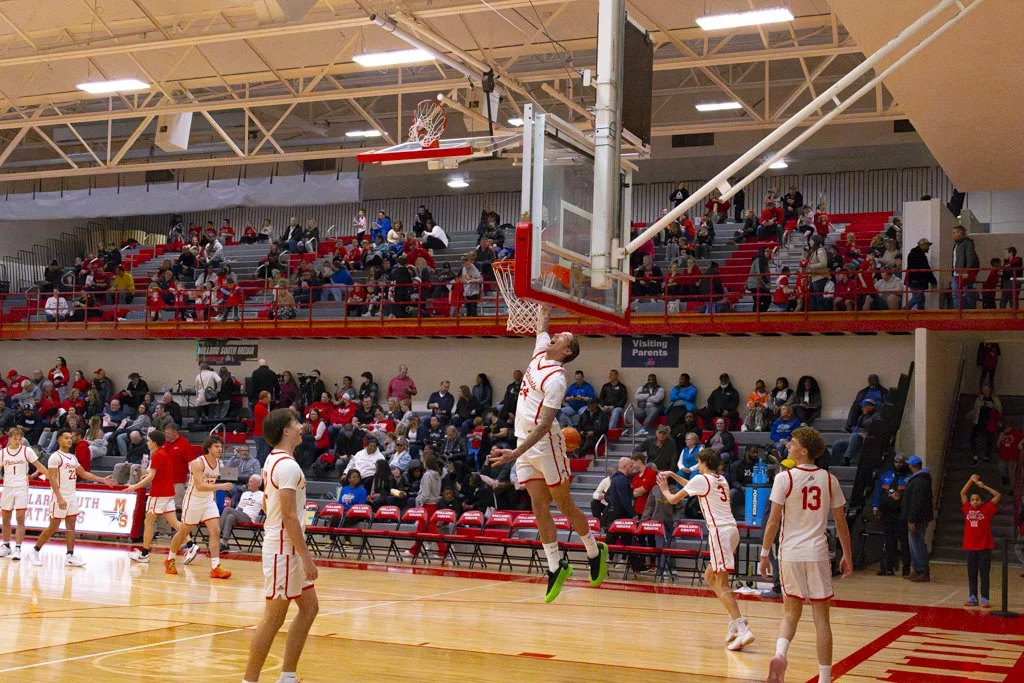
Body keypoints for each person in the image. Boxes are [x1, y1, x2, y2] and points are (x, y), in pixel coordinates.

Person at [487, 306, 608, 602]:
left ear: (567, 351)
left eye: (563, 336)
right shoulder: (541, 350)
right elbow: (542, 325)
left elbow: (543, 427)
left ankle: (594, 550)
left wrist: (515, 453)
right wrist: (542, 304)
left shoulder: (557, 379)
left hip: (545, 444)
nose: (556, 335)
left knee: (563, 504)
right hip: (523, 441)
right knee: (538, 506)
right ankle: (556, 566)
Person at [759, 427, 852, 683]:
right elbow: (841, 522)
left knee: (790, 613)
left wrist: (764, 553)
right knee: (822, 619)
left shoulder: (784, 478)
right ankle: (824, 678)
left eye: (793, 443)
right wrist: (847, 554)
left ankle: (780, 655)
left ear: (804, 451)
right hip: (817, 553)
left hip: (790, 553)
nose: (788, 446)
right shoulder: (829, 479)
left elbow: (773, 521)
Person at [243, 409, 319, 683]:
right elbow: (288, 515)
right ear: (286, 431)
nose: (300, 427)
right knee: (273, 618)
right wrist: (306, 557)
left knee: (309, 608)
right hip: (284, 551)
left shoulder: (273, 459)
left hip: (287, 548)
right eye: (295, 423)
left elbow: (270, 505)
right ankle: (249, 680)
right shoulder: (287, 466)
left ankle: (287, 676)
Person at [658, 448, 755, 651]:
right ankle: (734, 621)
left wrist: (664, 488)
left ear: (702, 463)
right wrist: (674, 475)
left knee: (722, 583)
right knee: (709, 577)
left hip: (719, 532)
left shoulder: (701, 480)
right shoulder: (721, 480)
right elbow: (692, 485)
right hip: (732, 530)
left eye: (698, 463)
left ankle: (742, 627)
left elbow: (673, 499)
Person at [25, 429, 115, 567]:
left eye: (70, 438)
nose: (69, 440)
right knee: (53, 527)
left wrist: (102, 480)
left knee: (71, 527)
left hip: (71, 495)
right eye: (66, 437)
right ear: (59, 439)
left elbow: (83, 473)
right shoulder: (55, 457)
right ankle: (35, 550)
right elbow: (52, 479)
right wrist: (59, 497)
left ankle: (70, 555)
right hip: (59, 495)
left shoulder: (72, 457)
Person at [164, 435, 235, 578]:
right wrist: (220, 486)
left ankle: (215, 567)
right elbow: (200, 486)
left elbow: (210, 484)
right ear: (208, 448)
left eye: (221, 447)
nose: (220, 449)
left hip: (208, 501)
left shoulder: (219, 462)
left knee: (216, 531)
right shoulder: (198, 463)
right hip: (193, 501)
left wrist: (213, 498)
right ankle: (170, 559)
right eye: (216, 446)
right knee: (183, 532)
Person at [126, 431, 195, 565]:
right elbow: (159, 473)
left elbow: (152, 476)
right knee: (174, 522)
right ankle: (191, 544)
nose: (147, 443)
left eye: (148, 441)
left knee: (148, 522)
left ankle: (144, 554)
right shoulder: (165, 452)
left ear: (154, 443)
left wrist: (134, 486)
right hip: (168, 492)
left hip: (158, 493)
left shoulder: (157, 455)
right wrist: (147, 476)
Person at [0, 427, 48, 559]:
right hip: (7, 487)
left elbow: (39, 466)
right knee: (5, 518)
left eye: (19, 439)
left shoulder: (27, 451)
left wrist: (50, 476)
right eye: (15, 438)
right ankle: (6, 546)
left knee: (20, 518)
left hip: (21, 487)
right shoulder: (2, 453)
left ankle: (18, 547)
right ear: (9, 438)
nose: (17, 441)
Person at [959, 474, 1001, 608]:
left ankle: (985, 597)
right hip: (970, 548)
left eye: (977, 499)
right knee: (972, 574)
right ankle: (973, 596)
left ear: (982, 501)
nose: (974, 502)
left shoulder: (987, 509)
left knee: (984, 574)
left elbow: (998, 495)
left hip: (984, 548)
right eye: (972, 500)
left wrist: (984, 486)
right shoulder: (967, 509)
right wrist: (970, 480)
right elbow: (963, 493)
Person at [871, 454, 911, 576]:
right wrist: (875, 506)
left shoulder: (909, 477)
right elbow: (879, 491)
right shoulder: (886, 476)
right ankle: (889, 568)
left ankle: (906, 569)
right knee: (889, 541)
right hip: (887, 513)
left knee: (904, 542)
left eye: (900, 462)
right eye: (896, 462)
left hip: (902, 514)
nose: (898, 464)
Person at [900, 455, 933, 582]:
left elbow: (917, 502)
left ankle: (922, 570)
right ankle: (918, 569)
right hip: (918, 517)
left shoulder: (919, 481)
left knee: (917, 544)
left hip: (917, 519)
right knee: (914, 544)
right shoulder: (920, 479)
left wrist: (911, 519)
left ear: (913, 466)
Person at [218, 474, 264, 554]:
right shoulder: (245, 494)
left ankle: (215, 535)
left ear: (257, 484)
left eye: (251, 482)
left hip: (249, 517)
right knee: (230, 517)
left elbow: (267, 508)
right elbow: (239, 508)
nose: (248, 484)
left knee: (228, 509)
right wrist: (236, 512)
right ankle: (224, 544)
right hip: (240, 515)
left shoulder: (262, 495)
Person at [969, 384, 1002, 465]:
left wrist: (998, 420)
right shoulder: (979, 399)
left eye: (987, 389)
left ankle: (987, 455)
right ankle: (975, 454)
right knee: (973, 437)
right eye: (983, 389)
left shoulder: (994, 399)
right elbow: (975, 409)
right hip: (980, 421)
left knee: (989, 438)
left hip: (990, 421)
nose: (985, 391)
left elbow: (998, 409)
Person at [951, 225, 979, 309]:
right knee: (956, 294)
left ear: (960, 233)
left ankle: (968, 312)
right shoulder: (957, 244)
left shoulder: (967, 242)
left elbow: (970, 256)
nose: (953, 235)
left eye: (954, 233)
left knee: (967, 294)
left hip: (963, 273)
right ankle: (958, 311)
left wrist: (967, 271)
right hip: (956, 272)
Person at [905, 238, 937, 310]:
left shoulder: (916, 253)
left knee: (921, 298)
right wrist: (933, 280)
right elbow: (925, 268)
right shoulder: (918, 254)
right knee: (918, 297)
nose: (928, 247)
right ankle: (904, 310)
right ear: (922, 245)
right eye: (927, 245)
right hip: (916, 280)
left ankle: (921, 313)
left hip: (915, 280)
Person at [996, 422, 1023, 491]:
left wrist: (1021, 443)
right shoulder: (1002, 434)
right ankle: (1005, 478)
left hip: (1013, 457)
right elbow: (997, 445)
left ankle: (1013, 489)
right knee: (1001, 468)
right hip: (1003, 456)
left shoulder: (1016, 432)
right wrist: (1000, 438)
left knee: (1012, 473)